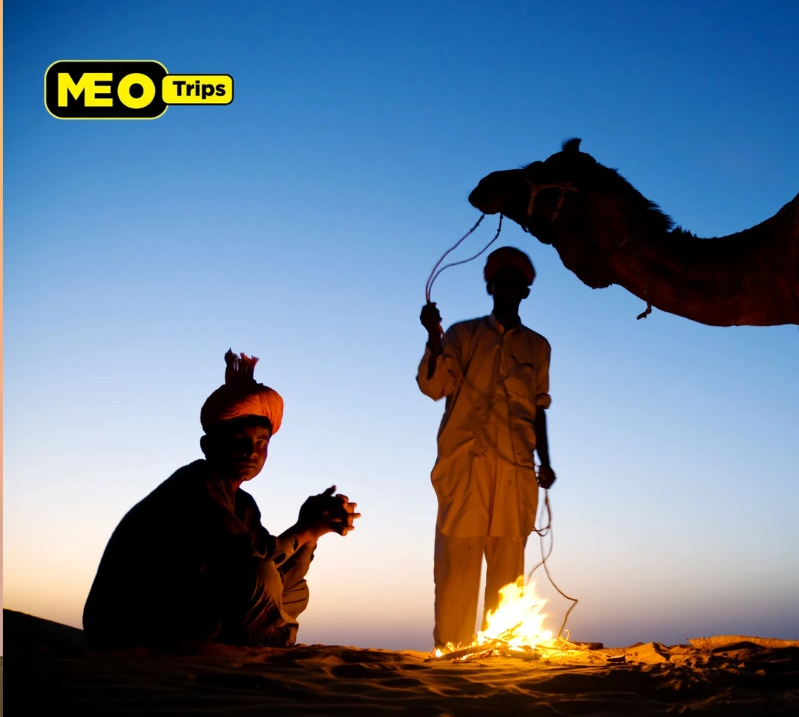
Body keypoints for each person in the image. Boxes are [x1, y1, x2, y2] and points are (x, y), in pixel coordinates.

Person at [82, 350, 360, 649]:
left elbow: (271, 561)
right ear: (208, 446)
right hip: (131, 625)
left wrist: (314, 532)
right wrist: (305, 529)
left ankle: (260, 635)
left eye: (261, 443)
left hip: (188, 614)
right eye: (239, 441)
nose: (251, 452)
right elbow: (251, 563)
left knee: (294, 589)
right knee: (259, 575)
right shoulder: (197, 485)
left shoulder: (243, 504)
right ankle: (264, 638)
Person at [418, 246, 556, 651]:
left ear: (525, 292)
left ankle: (499, 651)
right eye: (501, 281)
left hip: (516, 471)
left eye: (516, 283)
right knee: (457, 564)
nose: (508, 288)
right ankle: (452, 650)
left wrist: (545, 462)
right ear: (490, 287)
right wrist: (433, 336)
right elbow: (434, 386)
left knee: (509, 568)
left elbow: (538, 408)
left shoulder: (538, 348)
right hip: (466, 467)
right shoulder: (461, 336)